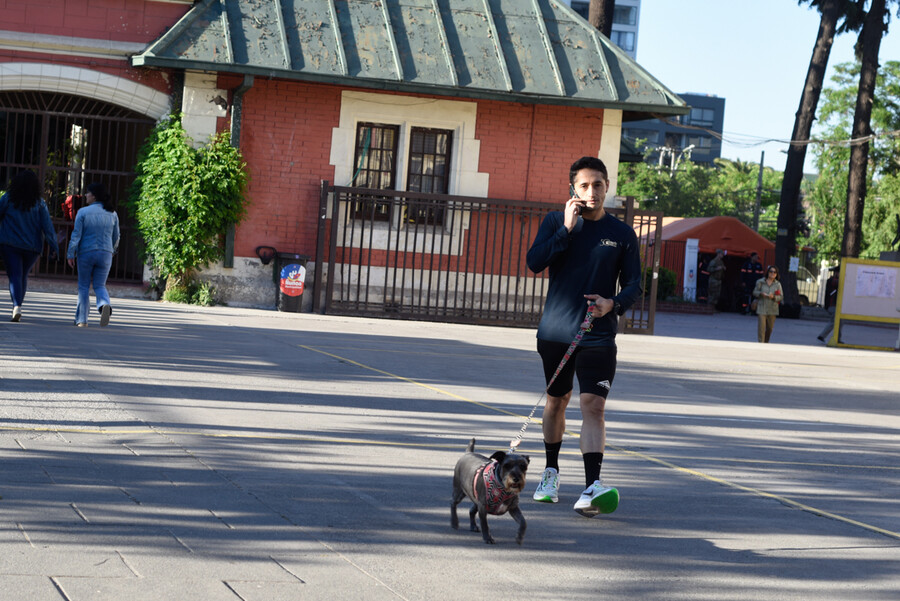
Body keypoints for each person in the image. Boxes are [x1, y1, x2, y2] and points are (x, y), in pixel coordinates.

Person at [525, 156, 641, 517]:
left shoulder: (622, 234)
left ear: (608, 186)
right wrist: (565, 229)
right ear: (573, 190)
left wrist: (614, 303)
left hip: (598, 333)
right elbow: (534, 261)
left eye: (598, 184)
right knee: (557, 402)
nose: (592, 191)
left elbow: (635, 283)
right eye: (584, 185)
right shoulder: (554, 222)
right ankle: (551, 472)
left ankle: (592, 487)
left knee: (593, 405)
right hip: (557, 332)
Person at [0, 170, 60, 322]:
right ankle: (18, 306)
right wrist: (54, 247)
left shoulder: (8, 198)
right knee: (23, 275)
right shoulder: (40, 203)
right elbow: (47, 227)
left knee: (14, 275)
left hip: (10, 243)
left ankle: (16, 306)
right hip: (32, 247)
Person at [66, 182, 119, 327]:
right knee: (100, 285)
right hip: (106, 253)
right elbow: (117, 236)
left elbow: (76, 235)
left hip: (86, 253)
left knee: (83, 286)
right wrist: (112, 251)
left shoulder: (83, 212)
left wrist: (71, 254)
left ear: (94, 196)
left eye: (88, 193)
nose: (85, 195)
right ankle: (104, 305)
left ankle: (82, 320)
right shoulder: (113, 213)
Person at [753, 265, 783, 343]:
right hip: (762, 307)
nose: (772, 273)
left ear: (776, 274)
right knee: (761, 328)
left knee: (769, 329)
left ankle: (766, 342)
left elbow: (781, 296)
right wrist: (760, 293)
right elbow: (754, 292)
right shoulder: (760, 282)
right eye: (771, 271)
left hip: (772, 309)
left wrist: (774, 297)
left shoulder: (777, 284)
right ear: (768, 272)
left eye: (774, 272)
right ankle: (761, 343)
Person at [817, 266, 840, 343]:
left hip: (835, 305)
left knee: (840, 321)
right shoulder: (832, 280)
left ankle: (837, 338)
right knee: (835, 321)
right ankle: (822, 336)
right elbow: (838, 283)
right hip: (832, 306)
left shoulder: (834, 280)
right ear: (836, 273)